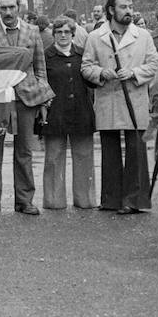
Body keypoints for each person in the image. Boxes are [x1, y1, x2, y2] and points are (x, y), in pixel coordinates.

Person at [82, 0, 158, 214]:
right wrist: (101, 72)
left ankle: (134, 201)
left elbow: (155, 65)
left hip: (134, 99)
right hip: (108, 98)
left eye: (130, 7)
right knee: (110, 151)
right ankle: (111, 199)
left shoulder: (143, 36)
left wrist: (134, 72)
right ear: (111, 10)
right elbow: (86, 66)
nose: (129, 11)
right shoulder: (96, 36)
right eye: (124, 7)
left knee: (136, 151)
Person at [0, 0, 53, 216]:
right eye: (4, 8)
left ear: (18, 7)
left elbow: (40, 68)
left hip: (27, 98)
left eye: (12, 7)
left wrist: (44, 98)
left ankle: (25, 200)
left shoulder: (32, 32)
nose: (8, 12)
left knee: (24, 152)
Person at [40, 17, 96, 210]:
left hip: (81, 111)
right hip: (55, 112)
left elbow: (92, 80)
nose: (63, 35)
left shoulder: (83, 54)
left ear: (73, 34)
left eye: (66, 32)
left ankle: (85, 200)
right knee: (53, 157)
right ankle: (54, 201)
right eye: (58, 32)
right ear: (53, 34)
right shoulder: (45, 56)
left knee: (84, 155)